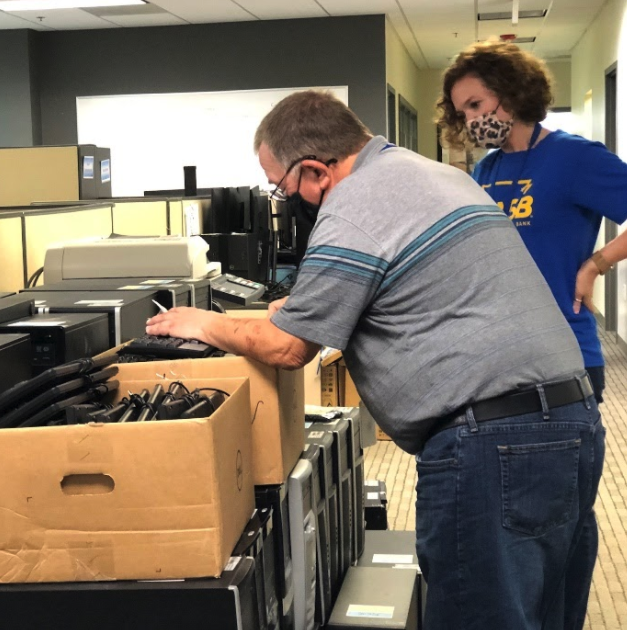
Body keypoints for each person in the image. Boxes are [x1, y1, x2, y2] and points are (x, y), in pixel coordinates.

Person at [146, 90, 604, 629]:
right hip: (571, 423)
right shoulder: (428, 174)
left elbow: (290, 348)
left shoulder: (356, 204)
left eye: (283, 188)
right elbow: (413, 280)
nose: (287, 200)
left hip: (491, 446)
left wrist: (203, 322)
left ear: (316, 170)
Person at [437, 40, 627, 403]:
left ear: (511, 93)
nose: (472, 120)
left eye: (476, 105)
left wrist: (596, 265)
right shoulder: (486, 170)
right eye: (463, 113)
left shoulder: (573, 157)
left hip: (566, 352)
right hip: (501, 355)